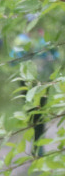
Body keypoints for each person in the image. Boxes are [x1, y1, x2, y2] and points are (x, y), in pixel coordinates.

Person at [9, 16, 60, 157]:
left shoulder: (45, 39)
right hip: (27, 83)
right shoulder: (21, 40)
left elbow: (56, 56)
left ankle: (38, 145)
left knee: (40, 112)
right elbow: (12, 61)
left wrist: (48, 54)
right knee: (32, 114)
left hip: (43, 82)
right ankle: (36, 143)